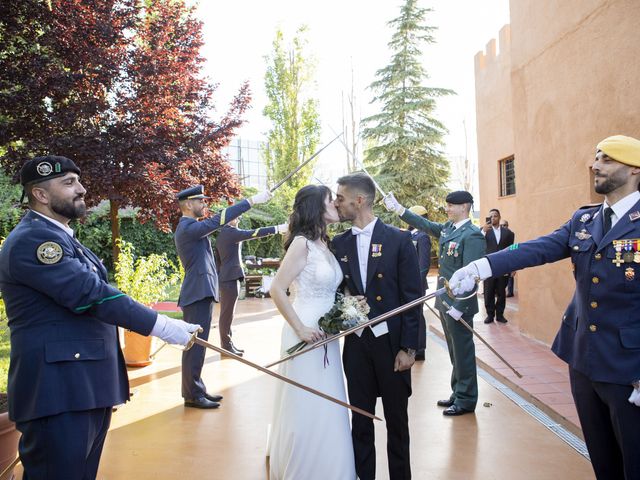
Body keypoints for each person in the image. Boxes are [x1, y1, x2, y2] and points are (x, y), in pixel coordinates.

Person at [449, 135, 640, 480]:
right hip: (583, 360)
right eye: (596, 157)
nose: (596, 165)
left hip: (630, 368)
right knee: (603, 460)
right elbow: (538, 249)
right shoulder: (585, 220)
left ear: (634, 170)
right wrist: (479, 268)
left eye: (608, 160)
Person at [0, 156, 199, 479]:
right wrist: (162, 326)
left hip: (82, 386)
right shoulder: (33, 241)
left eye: (78, 180)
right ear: (41, 195)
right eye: (68, 183)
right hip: (59, 391)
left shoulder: (61, 236)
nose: (81, 189)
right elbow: (90, 294)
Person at [333, 173, 422, 480]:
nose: (336, 203)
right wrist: (344, 301)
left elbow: (414, 298)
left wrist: (410, 348)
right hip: (357, 345)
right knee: (361, 420)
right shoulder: (338, 243)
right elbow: (334, 290)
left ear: (360, 200)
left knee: (397, 422)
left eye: (340, 198)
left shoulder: (398, 240)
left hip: (392, 345)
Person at [268, 185, 355, 480]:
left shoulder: (324, 245)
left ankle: (330, 468)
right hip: (304, 331)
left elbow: (332, 289)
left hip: (327, 335)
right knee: (306, 401)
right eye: (331, 200)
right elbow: (277, 288)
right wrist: (300, 328)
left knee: (327, 398)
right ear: (316, 207)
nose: (336, 204)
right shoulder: (302, 244)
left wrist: (349, 306)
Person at [384, 190, 485, 417]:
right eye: (447, 205)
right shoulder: (450, 229)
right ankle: (457, 391)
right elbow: (425, 224)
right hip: (445, 302)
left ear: (464, 207)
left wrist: (461, 306)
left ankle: (467, 399)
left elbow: (473, 274)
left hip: (459, 306)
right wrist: (399, 209)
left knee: (463, 351)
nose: (447, 209)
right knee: (453, 350)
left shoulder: (472, 235)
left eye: (451, 205)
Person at [174, 185, 272, 409]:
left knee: (198, 345)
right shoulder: (188, 226)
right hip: (197, 293)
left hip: (200, 291)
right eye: (200, 201)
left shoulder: (192, 227)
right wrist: (252, 201)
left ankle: (195, 389)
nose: (204, 205)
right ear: (188, 204)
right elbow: (219, 220)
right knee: (195, 345)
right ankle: (193, 395)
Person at [214, 216, 287, 355]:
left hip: (227, 277)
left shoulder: (222, 234)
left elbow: (218, 261)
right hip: (229, 278)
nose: (239, 221)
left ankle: (228, 344)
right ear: (231, 219)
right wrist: (277, 229)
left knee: (228, 314)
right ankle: (226, 347)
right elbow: (255, 233)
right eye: (237, 218)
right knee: (227, 314)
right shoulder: (231, 233)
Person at [481, 208, 514, 323]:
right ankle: (490, 315)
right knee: (488, 291)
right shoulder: (484, 231)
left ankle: (500, 315)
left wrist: (512, 267)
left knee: (501, 291)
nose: (493, 218)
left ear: (499, 217)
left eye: (495, 216)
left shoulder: (508, 233)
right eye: (491, 216)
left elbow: (511, 250)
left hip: (502, 266)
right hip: (488, 266)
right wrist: (483, 231)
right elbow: (477, 243)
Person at [407, 205, 432, 361]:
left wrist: (417, 283)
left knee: (417, 315)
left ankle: (420, 348)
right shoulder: (409, 235)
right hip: (407, 283)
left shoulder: (423, 237)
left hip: (417, 284)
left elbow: (424, 265)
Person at [499, 219, 516, 297]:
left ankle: (510, 292)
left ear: (507, 226)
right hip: (501, 258)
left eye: (504, 225)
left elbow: (513, 246)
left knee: (510, 275)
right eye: (501, 225)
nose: (503, 227)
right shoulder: (498, 234)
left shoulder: (511, 234)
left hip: (509, 257)